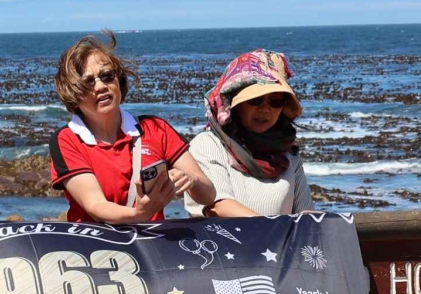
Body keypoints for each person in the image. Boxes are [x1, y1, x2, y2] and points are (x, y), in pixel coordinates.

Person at [48, 32, 216, 223]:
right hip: (96, 247)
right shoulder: (67, 140)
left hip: (150, 245)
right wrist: (139, 215)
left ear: (119, 80)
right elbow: (95, 206)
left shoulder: (155, 128)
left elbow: (209, 195)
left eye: (107, 76)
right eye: (88, 82)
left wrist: (191, 181)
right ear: (73, 93)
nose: (101, 86)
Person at [185, 50, 312, 218]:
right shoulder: (207, 144)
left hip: (279, 244)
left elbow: (306, 213)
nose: (265, 109)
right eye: (255, 100)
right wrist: (274, 230)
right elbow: (218, 206)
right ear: (234, 103)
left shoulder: (289, 155)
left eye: (275, 101)